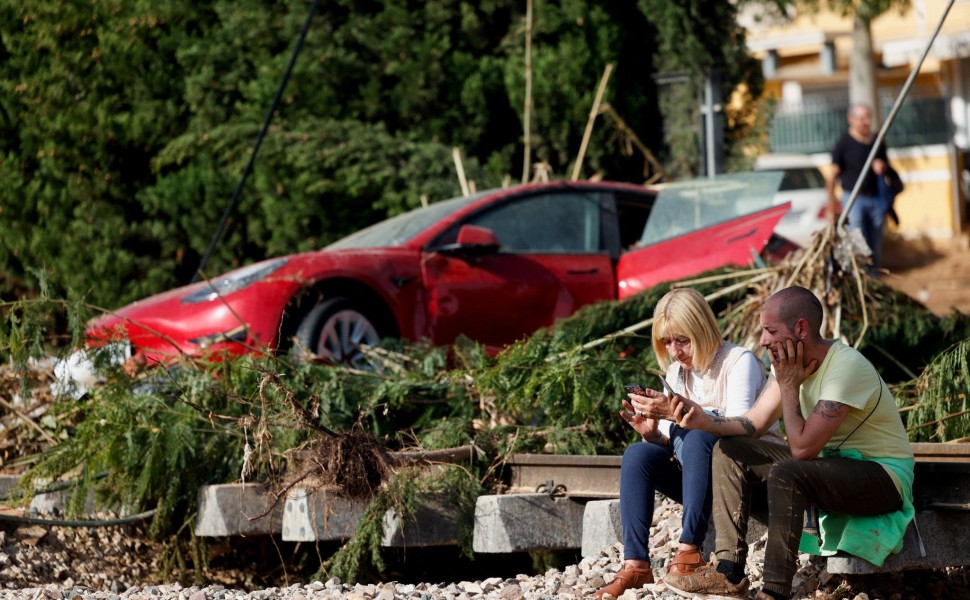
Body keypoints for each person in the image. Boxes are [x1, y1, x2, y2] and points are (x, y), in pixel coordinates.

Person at [650, 286, 915, 600]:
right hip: (833, 469)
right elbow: (753, 424)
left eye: (770, 331)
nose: (762, 341)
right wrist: (700, 420)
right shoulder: (787, 366)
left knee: (788, 471)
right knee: (729, 449)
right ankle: (728, 572)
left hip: (883, 479)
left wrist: (789, 386)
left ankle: (774, 592)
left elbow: (802, 450)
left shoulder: (845, 368)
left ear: (801, 329)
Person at [594, 288, 782, 599]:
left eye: (682, 340)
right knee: (639, 453)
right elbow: (676, 446)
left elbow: (740, 430)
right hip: (706, 480)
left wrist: (683, 416)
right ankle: (636, 563)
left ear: (702, 329)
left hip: (751, 481)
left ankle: (689, 550)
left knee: (698, 436)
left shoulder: (739, 362)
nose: (675, 350)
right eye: (667, 342)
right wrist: (654, 433)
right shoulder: (676, 373)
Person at [825, 103, 891, 271]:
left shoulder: (877, 141)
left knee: (876, 241)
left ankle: (875, 276)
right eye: (862, 118)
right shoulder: (844, 144)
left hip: (875, 199)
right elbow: (831, 176)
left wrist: (882, 167)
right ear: (851, 120)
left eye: (869, 117)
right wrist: (831, 206)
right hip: (854, 200)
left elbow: (888, 170)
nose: (867, 122)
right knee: (858, 241)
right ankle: (861, 276)